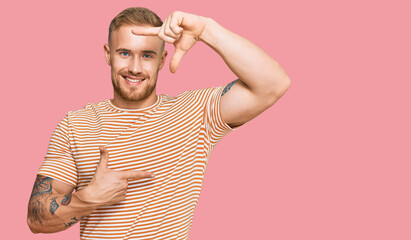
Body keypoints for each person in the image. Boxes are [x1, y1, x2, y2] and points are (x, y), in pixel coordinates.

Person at [27, 7, 290, 239]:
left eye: (148, 56)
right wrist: (87, 199)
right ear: (108, 54)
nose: (135, 67)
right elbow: (36, 220)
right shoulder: (76, 124)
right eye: (124, 53)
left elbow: (273, 84)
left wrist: (207, 30)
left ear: (162, 60)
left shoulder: (195, 113)